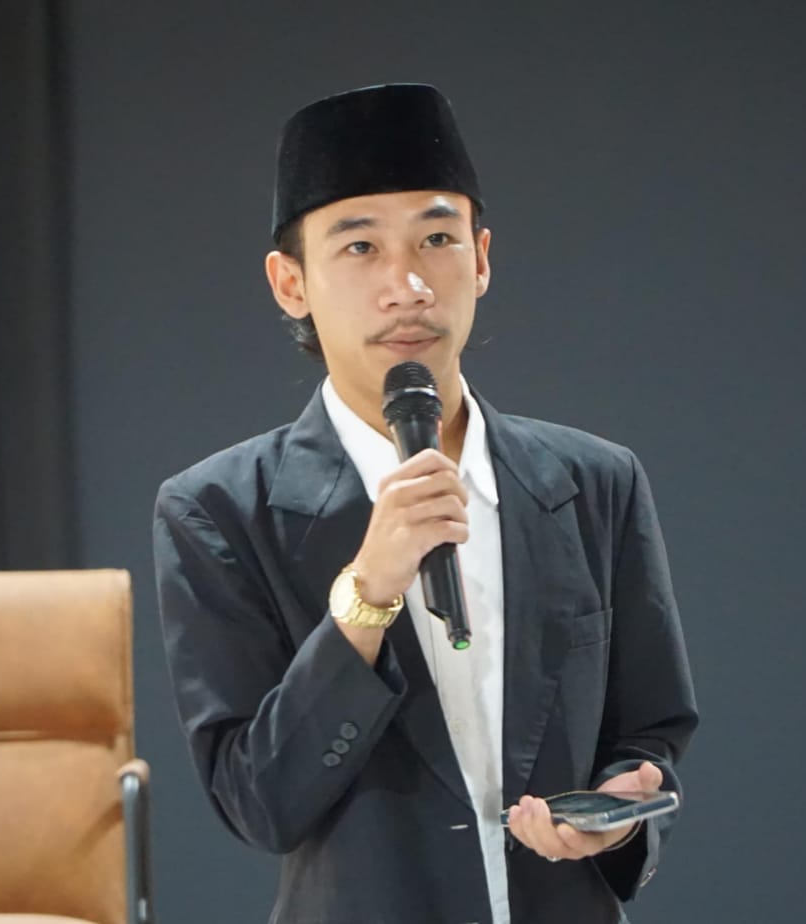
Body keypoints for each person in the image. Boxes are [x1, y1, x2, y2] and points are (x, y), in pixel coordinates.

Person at [152, 84, 698, 924]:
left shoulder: (596, 481)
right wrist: (368, 594)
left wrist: (623, 811)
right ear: (290, 283)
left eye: (437, 238)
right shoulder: (217, 511)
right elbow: (258, 801)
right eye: (359, 246)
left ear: (481, 259)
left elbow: (650, 730)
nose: (407, 285)